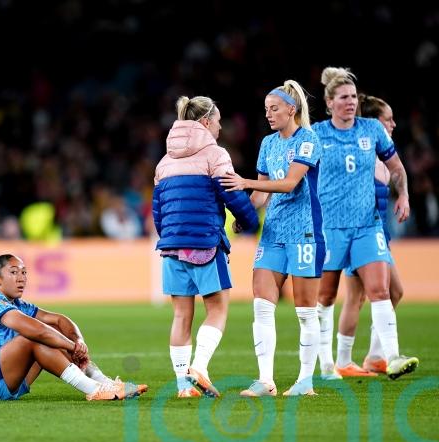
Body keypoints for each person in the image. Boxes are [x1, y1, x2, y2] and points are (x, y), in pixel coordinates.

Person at [313, 67, 418, 381]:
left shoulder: (372, 130)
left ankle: (391, 356)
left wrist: (404, 195)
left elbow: (396, 167)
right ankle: (327, 363)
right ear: (329, 102)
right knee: (326, 296)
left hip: (367, 226)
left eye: (353, 97)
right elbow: (298, 172)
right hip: (330, 228)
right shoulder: (317, 134)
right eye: (343, 97)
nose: (350, 102)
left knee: (380, 290)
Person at [221, 80, 323, 397]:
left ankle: (305, 381)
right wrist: (244, 214)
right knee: (262, 306)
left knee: (306, 311)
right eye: (266, 109)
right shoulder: (268, 143)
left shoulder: (308, 140)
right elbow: (261, 195)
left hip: (305, 232)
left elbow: (290, 184)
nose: (268, 114)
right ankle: (266, 380)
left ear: (291, 109)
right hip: (274, 232)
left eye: (274, 108)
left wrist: (244, 182)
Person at [152, 95, 259, 398]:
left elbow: (158, 211)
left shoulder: (164, 162)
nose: (221, 127)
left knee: (181, 316)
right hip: (205, 245)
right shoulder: (215, 154)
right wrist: (250, 221)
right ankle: (199, 367)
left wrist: (171, 236)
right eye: (219, 121)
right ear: (205, 121)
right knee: (217, 309)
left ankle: (183, 386)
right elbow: (232, 193)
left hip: (172, 247)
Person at [0, 254, 148, 401]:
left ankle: (105, 382)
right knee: (33, 336)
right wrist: (73, 347)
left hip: (1, 380)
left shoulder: (17, 304)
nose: (21, 278)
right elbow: (37, 331)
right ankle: (94, 389)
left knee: (52, 330)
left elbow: (59, 320)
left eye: (24, 272)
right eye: (13, 272)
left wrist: (78, 341)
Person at [336, 94, 405, 376]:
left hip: (377, 235)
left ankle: (375, 357)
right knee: (357, 297)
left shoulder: (381, 156)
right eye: (388, 119)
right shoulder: (360, 157)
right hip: (360, 235)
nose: (393, 124)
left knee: (394, 292)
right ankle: (344, 361)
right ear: (374, 123)